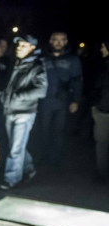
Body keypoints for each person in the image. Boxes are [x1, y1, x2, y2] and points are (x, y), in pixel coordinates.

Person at [0, 35, 48, 190]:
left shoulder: (37, 66)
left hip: (24, 112)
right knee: (17, 145)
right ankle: (28, 169)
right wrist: (4, 96)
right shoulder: (17, 63)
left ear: (32, 48)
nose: (19, 48)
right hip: (10, 109)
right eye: (19, 45)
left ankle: (11, 178)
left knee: (15, 147)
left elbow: (41, 90)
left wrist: (18, 96)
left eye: (23, 46)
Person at [38, 31, 83, 167]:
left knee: (59, 130)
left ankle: (55, 159)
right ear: (50, 41)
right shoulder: (42, 59)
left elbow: (77, 81)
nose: (58, 42)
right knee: (43, 130)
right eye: (55, 40)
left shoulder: (73, 60)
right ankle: (43, 157)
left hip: (62, 100)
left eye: (62, 40)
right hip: (45, 100)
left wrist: (75, 100)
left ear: (66, 42)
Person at [92, 39, 109, 182]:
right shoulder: (104, 66)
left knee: (102, 145)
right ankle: (101, 174)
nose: (101, 50)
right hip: (103, 111)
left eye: (104, 47)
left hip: (104, 111)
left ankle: (102, 175)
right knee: (102, 144)